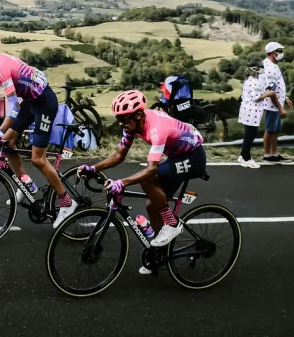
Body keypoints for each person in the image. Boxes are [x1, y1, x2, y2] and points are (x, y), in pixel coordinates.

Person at [78, 90, 205, 269]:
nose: (122, 124)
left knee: (147, 179)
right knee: (152, 205)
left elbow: (151, 169)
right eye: (118, 119)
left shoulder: (156, 127)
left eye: (125, 119)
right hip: (176, 157)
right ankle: (159, 255)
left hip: (194, 157)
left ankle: (172, 223)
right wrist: (94, 168)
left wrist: (121, 183)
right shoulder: (133, 124)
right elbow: (120, 154)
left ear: (138, 115)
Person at [0, 28, 77, 228]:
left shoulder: (0, 68)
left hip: (44, 103)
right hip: (30, 102)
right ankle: (26, 182)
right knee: (8, 143)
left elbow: (14, 108)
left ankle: (67, 201)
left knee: (38, 159)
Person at [260, 41, 293, 163]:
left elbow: (278, 86)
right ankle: (267, 155)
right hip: (272, 104)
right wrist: (280, 107)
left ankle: (274, 153)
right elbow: (271, 90)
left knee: (276, 129)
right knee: (270, 129)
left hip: (277, 102)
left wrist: (285, 98)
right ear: (273, 53)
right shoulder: (268, 68)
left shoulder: (274, 65)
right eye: (279, 51)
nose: (281, 53)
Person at [237, 59, 271, 168]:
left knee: (250, 134)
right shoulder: (252, 81)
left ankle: (243, 155)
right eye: (261, 67)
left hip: (252, 111)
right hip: (251, 110)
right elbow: (257, 98)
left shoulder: (253, 80)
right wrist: (268, 93)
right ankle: (246, 158)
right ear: (256, 69)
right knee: (250, 134)